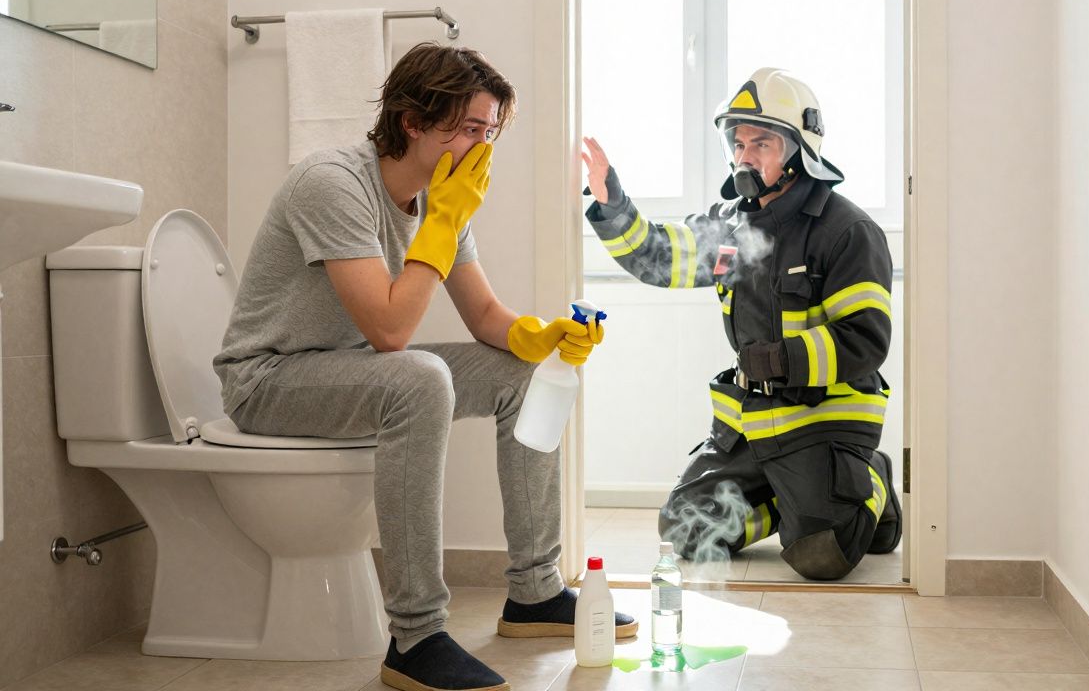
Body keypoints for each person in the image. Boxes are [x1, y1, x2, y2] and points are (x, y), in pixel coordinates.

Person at [214, 43, 635, 691]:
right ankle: (416, 636)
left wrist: (541, 337)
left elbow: (483, 314)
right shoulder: (331, 184)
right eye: (468, 130)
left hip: (349, 367)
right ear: (413, 122)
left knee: (521, 377)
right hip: (266, 380)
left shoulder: (441, 203)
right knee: (419, 377)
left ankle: (535, 591)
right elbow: (390, 331)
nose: (481, 149)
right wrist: (442, 221)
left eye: (489, 133)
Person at [582, 67, 902, 581]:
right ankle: (789, 500)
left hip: (820, 423)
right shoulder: (730, 225)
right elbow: (658, 257)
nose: (744, 156)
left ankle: (872, 480)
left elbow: (864, 340)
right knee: (684, 530)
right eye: (738, 143)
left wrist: (778, 360)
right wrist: (610, 203)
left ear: (799, 150)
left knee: (821, 555)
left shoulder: (847, 230)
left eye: (762, 143)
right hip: (751, 426)